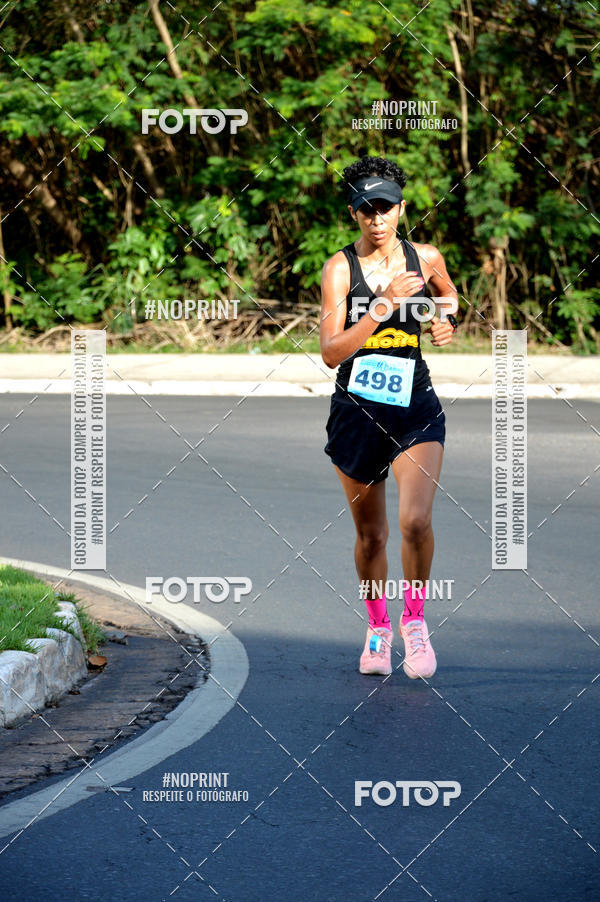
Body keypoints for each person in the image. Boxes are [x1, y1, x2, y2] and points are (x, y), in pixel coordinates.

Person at [319, 156, 458, 679]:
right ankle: (377, 627)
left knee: (415, 520)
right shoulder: (340, 269)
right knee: (373, 536)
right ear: (354, 214)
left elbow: (448, 296)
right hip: (356, 413)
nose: (377, 219)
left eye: (385, 208)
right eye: (366, 210)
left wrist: (446, 322)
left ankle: (415, 622)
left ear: (401, 208)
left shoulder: (425, 257)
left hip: (415, 407)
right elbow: (332, 352)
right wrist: (378, 306)